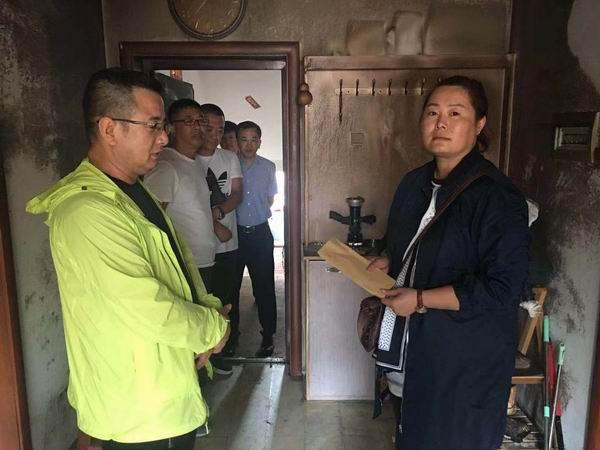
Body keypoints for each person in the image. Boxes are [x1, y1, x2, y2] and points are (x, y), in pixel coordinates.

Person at [26, 68, 230, 449]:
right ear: (109, 129)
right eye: (153, 125)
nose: (164, 137)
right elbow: (148, 307)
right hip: (140, 413)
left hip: (164, 394)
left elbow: (177, 268)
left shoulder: (131, 192)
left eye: (163, 125)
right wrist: (214, 329)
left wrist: (209, 308)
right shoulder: (87, 212)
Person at [367, 76, 529, 450]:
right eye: (432, 113)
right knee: (410, 435)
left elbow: (504, 288)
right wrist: (389, 259)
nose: (441, 123)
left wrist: (421, 299)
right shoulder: (413, 184)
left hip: (462, 363)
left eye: (455, 113)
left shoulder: (497, 197)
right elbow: (405, 245)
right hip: (410, 353)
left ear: (479, 124)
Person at [144, 98, 219, 290]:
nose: (197, 127)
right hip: (184, 266)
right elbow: (150, 222)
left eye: (200, 121)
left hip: (202, 261)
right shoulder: (166, 167)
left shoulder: (193, 163)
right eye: (188, 121)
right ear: (171, 129)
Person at [196, 103, 243, 361]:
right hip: (196, 248)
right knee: (201, 301)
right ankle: (203, 353)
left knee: (228, 298)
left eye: (220, 129)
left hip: (227, 245)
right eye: (208, 127)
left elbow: (236, 194)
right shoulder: (186, 160)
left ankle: (227, 348)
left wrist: (217, 212)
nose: (214, 135)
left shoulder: (229, 158)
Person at [233, 121, 278, 357]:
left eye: (253, 140)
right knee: (232, 288)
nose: (249, 145)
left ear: (260, 142)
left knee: (265, 288)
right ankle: (231, 338)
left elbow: (270, 199)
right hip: (235, 235)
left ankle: (268, 335)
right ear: (237, 142)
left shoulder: (268, 167)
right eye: (244, 139)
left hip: (260, 233)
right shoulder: (230, 164)